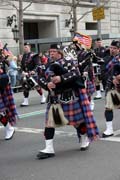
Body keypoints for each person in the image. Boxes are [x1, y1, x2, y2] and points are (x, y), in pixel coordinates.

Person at [36, 44, 99, 159]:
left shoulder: (68, 62)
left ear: (60, 52)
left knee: (77, 122)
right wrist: (46, 84)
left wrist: (61, 78)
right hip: (54, 98)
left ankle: (84, 138)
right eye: (50, 51)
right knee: (49, 123)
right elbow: (39, 78)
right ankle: (49, 148)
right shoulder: (46, 65)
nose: (51, 53)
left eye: (54, 51)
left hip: (68, 96)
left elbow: (75, 74)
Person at [102, 40, 120, 137]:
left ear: (119, 49)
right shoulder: (107, 58)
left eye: (114, 48)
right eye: (111, 48)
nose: (112, 50)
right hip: (111, 85)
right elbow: (104, 71)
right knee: (108, 107)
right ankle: (109, 129)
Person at [0, 44, 18, 140]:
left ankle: (9, 127)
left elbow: (10, 62)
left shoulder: (3, 56)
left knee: (1, 110)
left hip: (2, 83)